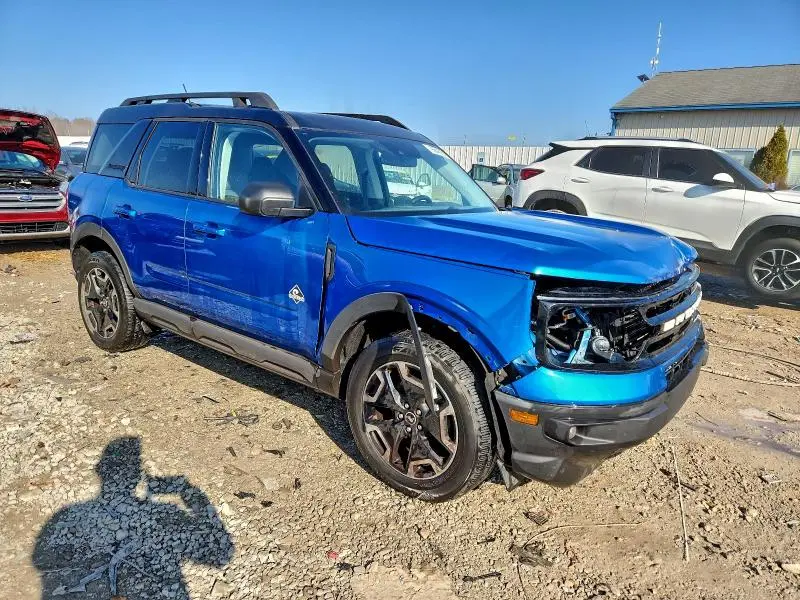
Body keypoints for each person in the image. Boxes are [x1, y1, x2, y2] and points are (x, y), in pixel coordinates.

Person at [33, 437, 233, 599]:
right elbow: (221, 555)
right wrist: (186, 490)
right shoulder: (167, 512)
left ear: (100, 471)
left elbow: (41, 560)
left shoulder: (65, 515)